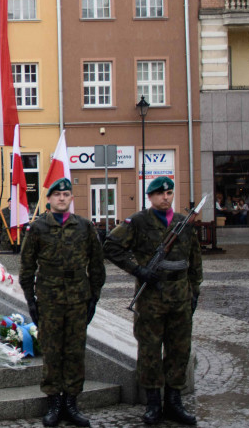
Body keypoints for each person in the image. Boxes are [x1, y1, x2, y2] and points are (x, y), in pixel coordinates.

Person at [105, 176, 201, 425]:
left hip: (180, 297)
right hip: (151, 298)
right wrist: (137, 270)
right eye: (160, 194)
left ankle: (174, 401)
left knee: (179, 350)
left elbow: (194, 258)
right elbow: (112, 246)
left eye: (169, 193)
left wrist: (195, 290)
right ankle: (153, 404)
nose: (166, 197)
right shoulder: (137, 222)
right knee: (149, 350)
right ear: (150, 196)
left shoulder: (184, 223)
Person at [19, 177, 105, 427]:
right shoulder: (37, 228)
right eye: (57, 194)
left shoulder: (84, 227)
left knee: (75, 351)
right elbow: (26, 267)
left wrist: (94, 297)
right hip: (49, 298)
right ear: (49, 199)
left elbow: (97, 264)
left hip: (78, 297)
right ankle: (54, 402)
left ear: (71, 198)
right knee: (53, 350)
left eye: (66, 194)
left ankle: (71, 401)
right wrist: (31, 301)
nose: (62, 198)